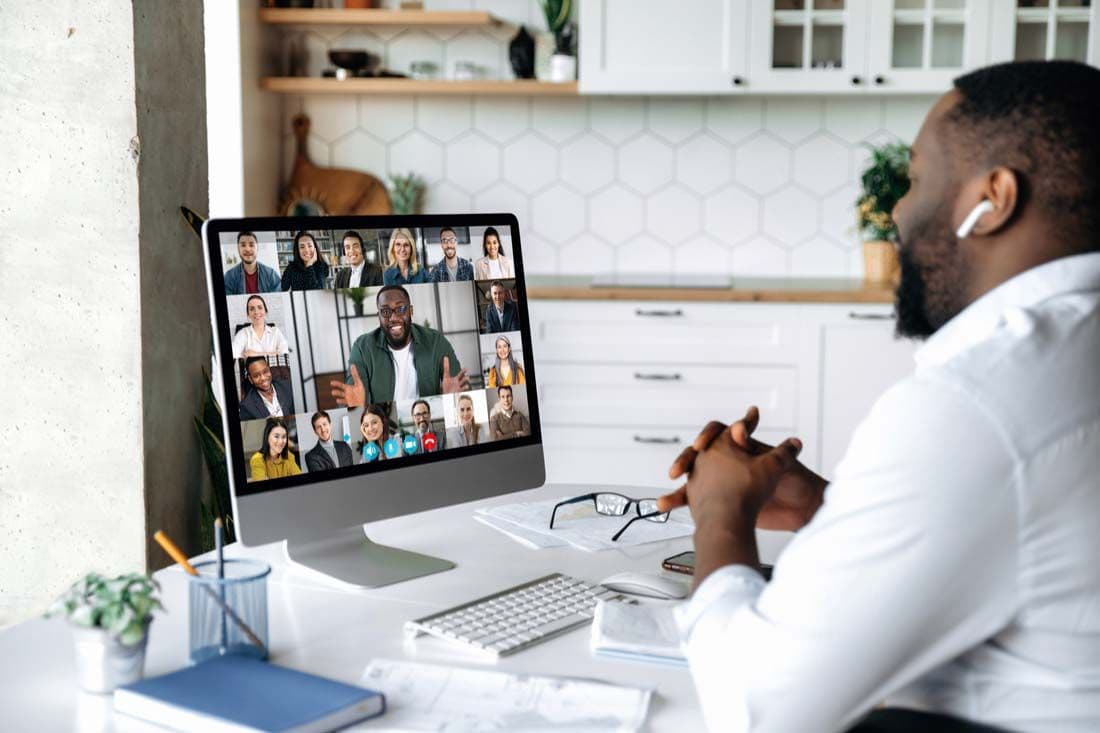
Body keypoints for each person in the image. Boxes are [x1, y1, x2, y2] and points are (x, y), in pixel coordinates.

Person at [656, 61, 1100, 733]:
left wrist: (720, 516)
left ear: (995, 197)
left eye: (919, 180)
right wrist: (827, 508)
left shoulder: (977, 402)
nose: (897, 209)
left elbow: (756, 709)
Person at [329, 285, 470, 407]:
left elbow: (460, 389)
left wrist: (449, 400)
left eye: (401, 308)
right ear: (378, 316)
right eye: (385, 312)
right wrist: (356, 406)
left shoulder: (436, 342)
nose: (393, 318)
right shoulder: (362, 348)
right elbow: (352, 396)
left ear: (411, 311)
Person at [231, 294, 290, 359]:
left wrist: (255, 354)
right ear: (248, 314)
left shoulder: (275, 331)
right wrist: (274, 353)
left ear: (266, 311)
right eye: (252, 309)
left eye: (260, 307)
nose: (256, 312)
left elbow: (285, 353)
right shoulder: (243, 333)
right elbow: (234, 354)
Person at [239, 356, 295, 420]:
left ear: (269, 369)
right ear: (250, 379)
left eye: (265, 372)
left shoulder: (288, 387)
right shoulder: (247, 407)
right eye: (256, 376)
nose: (263, 378)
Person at [224, 231, 281, 295]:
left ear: (257, 248)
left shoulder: (271, 275)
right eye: (243, 245)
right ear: (238, 249)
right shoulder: (229, 277)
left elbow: (278, 301)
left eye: (251, 245)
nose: (247, 249)